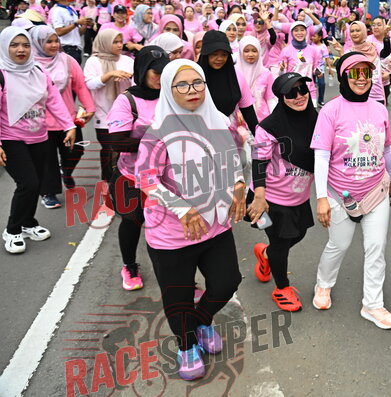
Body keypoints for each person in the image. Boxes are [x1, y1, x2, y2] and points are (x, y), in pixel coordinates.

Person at [135, 59, 245, 381]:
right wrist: (182, 209)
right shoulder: (158, 133)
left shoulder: (219, 121)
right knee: (179, 298)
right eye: (181, 85)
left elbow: (234, 161)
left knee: (227, 282)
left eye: (197, 83)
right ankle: (186, 345)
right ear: (168, 90)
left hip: (215, 223)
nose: (192, 90)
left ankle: (202, 321)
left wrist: (239, 185)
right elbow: (146, 179)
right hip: (172, 233)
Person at [311, 52, 391, 329]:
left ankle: (372, 304)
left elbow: (387, 148)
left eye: (367, 73)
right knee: (339, 244)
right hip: (340, 194)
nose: (362, 79)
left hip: (375, 191)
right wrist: (322, 198)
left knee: (376, 247)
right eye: (355, 73)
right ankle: (323, 284)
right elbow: (321, 155)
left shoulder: (380, 109)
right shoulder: (331, 110)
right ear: (343, 76)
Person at [0, 27, 76, 254]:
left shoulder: (38, 71)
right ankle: (12, 230)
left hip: (39, 136)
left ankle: (28, 223)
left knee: (38, 182)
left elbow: (54, 100)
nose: (21, 50)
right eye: (14, 45)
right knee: (28, 184)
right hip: (11, 138)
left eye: (25, 45)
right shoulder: (2, 74)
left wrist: (69, 125)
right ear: (4, 47)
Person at [250, 72, 318, 311]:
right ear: (281, 97)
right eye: (291, 92)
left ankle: (266, 255)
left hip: (299, 196)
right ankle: (281, 288)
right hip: (270, 198)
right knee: (280, 243)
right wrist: (259, 196)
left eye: (302, 90)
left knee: (299, 234)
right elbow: (258, 161)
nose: (299, 96)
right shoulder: (269, 126)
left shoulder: (317, 120)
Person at [106, 46, 169, 290]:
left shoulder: (173, 95)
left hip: (168, 178)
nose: (161, 78)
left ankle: (177, 276)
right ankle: (129, 266)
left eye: (165, 72)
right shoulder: (127, 100)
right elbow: (117, 142)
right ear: (142, 71)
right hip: (130, 176)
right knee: (132, 222)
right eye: (156, 73)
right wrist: (157, 142)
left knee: (167, 227)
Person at [30, 26, 95, 208]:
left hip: (67, 120)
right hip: (40, 122)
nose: (54, 45)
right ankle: (49, 193)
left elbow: (80, 85)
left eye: (56, 41)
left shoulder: (67, 61)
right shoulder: (29, 64)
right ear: (37, 43)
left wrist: (90, 107)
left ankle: (66, 172)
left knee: (75, 151)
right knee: (47, 159)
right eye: (48, 42)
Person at [83, 29, 134, 186]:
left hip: (125, 114)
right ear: (104, 43)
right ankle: (107, 180)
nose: (119, 45)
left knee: (122, 149)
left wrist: (130, 77)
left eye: (120, 42)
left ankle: (121, 181)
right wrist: (110, 75)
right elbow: (90, 83)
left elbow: (137, 83)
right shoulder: (94, 61)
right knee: (108, 148)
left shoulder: (128, 60)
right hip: (103, 113)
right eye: (115, 42)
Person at [197, 30, 258, 135]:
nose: (220, 59)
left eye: (224, 54)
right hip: (199, 131)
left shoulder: (236, 76)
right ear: (206, 54)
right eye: (214, 54)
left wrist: (259, 136)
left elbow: (248, 111)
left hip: (228, 131)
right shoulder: (194, 76)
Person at [279, 22, 323, 107]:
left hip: (309, 90)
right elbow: (282, 74)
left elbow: (315, 68)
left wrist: (318, 72)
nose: (299, 33)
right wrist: (281, 69)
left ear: (306, 32)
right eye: (296, 30)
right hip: (292, 91)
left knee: (311, 114)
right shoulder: (286, 51)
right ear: (292, 33)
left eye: (302, 30)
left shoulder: (314, 50)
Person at [49, 0, 91, 64]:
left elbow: (79, 33)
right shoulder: (57, 11)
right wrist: (76, 23)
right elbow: (59, 32)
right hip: (66, 48)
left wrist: (85, 24)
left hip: (77, 48)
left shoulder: (71, 8)